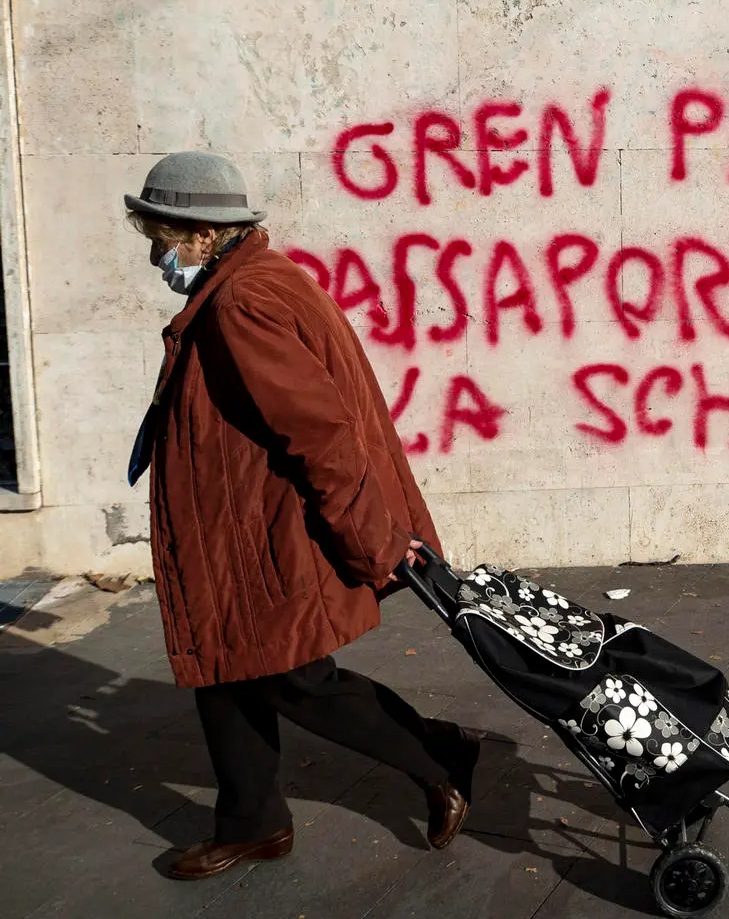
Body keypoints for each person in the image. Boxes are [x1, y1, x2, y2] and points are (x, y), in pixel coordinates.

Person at [122, 152, 476, 880]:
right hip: (238, 535)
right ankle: (252, 823)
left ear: (198, 234)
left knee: (294, 680)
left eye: (162, 237)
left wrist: (373, 538)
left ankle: (434, 759)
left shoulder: (242, 303)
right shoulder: (247, 283)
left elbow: (320, 433)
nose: (158, 255)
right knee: (221, 672)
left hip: (266, 538)